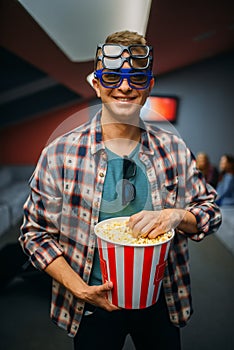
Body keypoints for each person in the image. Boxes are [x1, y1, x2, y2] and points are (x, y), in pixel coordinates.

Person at [19, 30, 221, 350]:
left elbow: (210, 211)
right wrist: (79, 288)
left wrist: (175, 215)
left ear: (149, 87)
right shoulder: (59, 153)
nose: (125, 87)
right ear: (97, 84)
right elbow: (34, 234)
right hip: (91, 300)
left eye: (136, 78)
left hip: (160, 298)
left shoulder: (173, 147)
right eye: (112, 77)